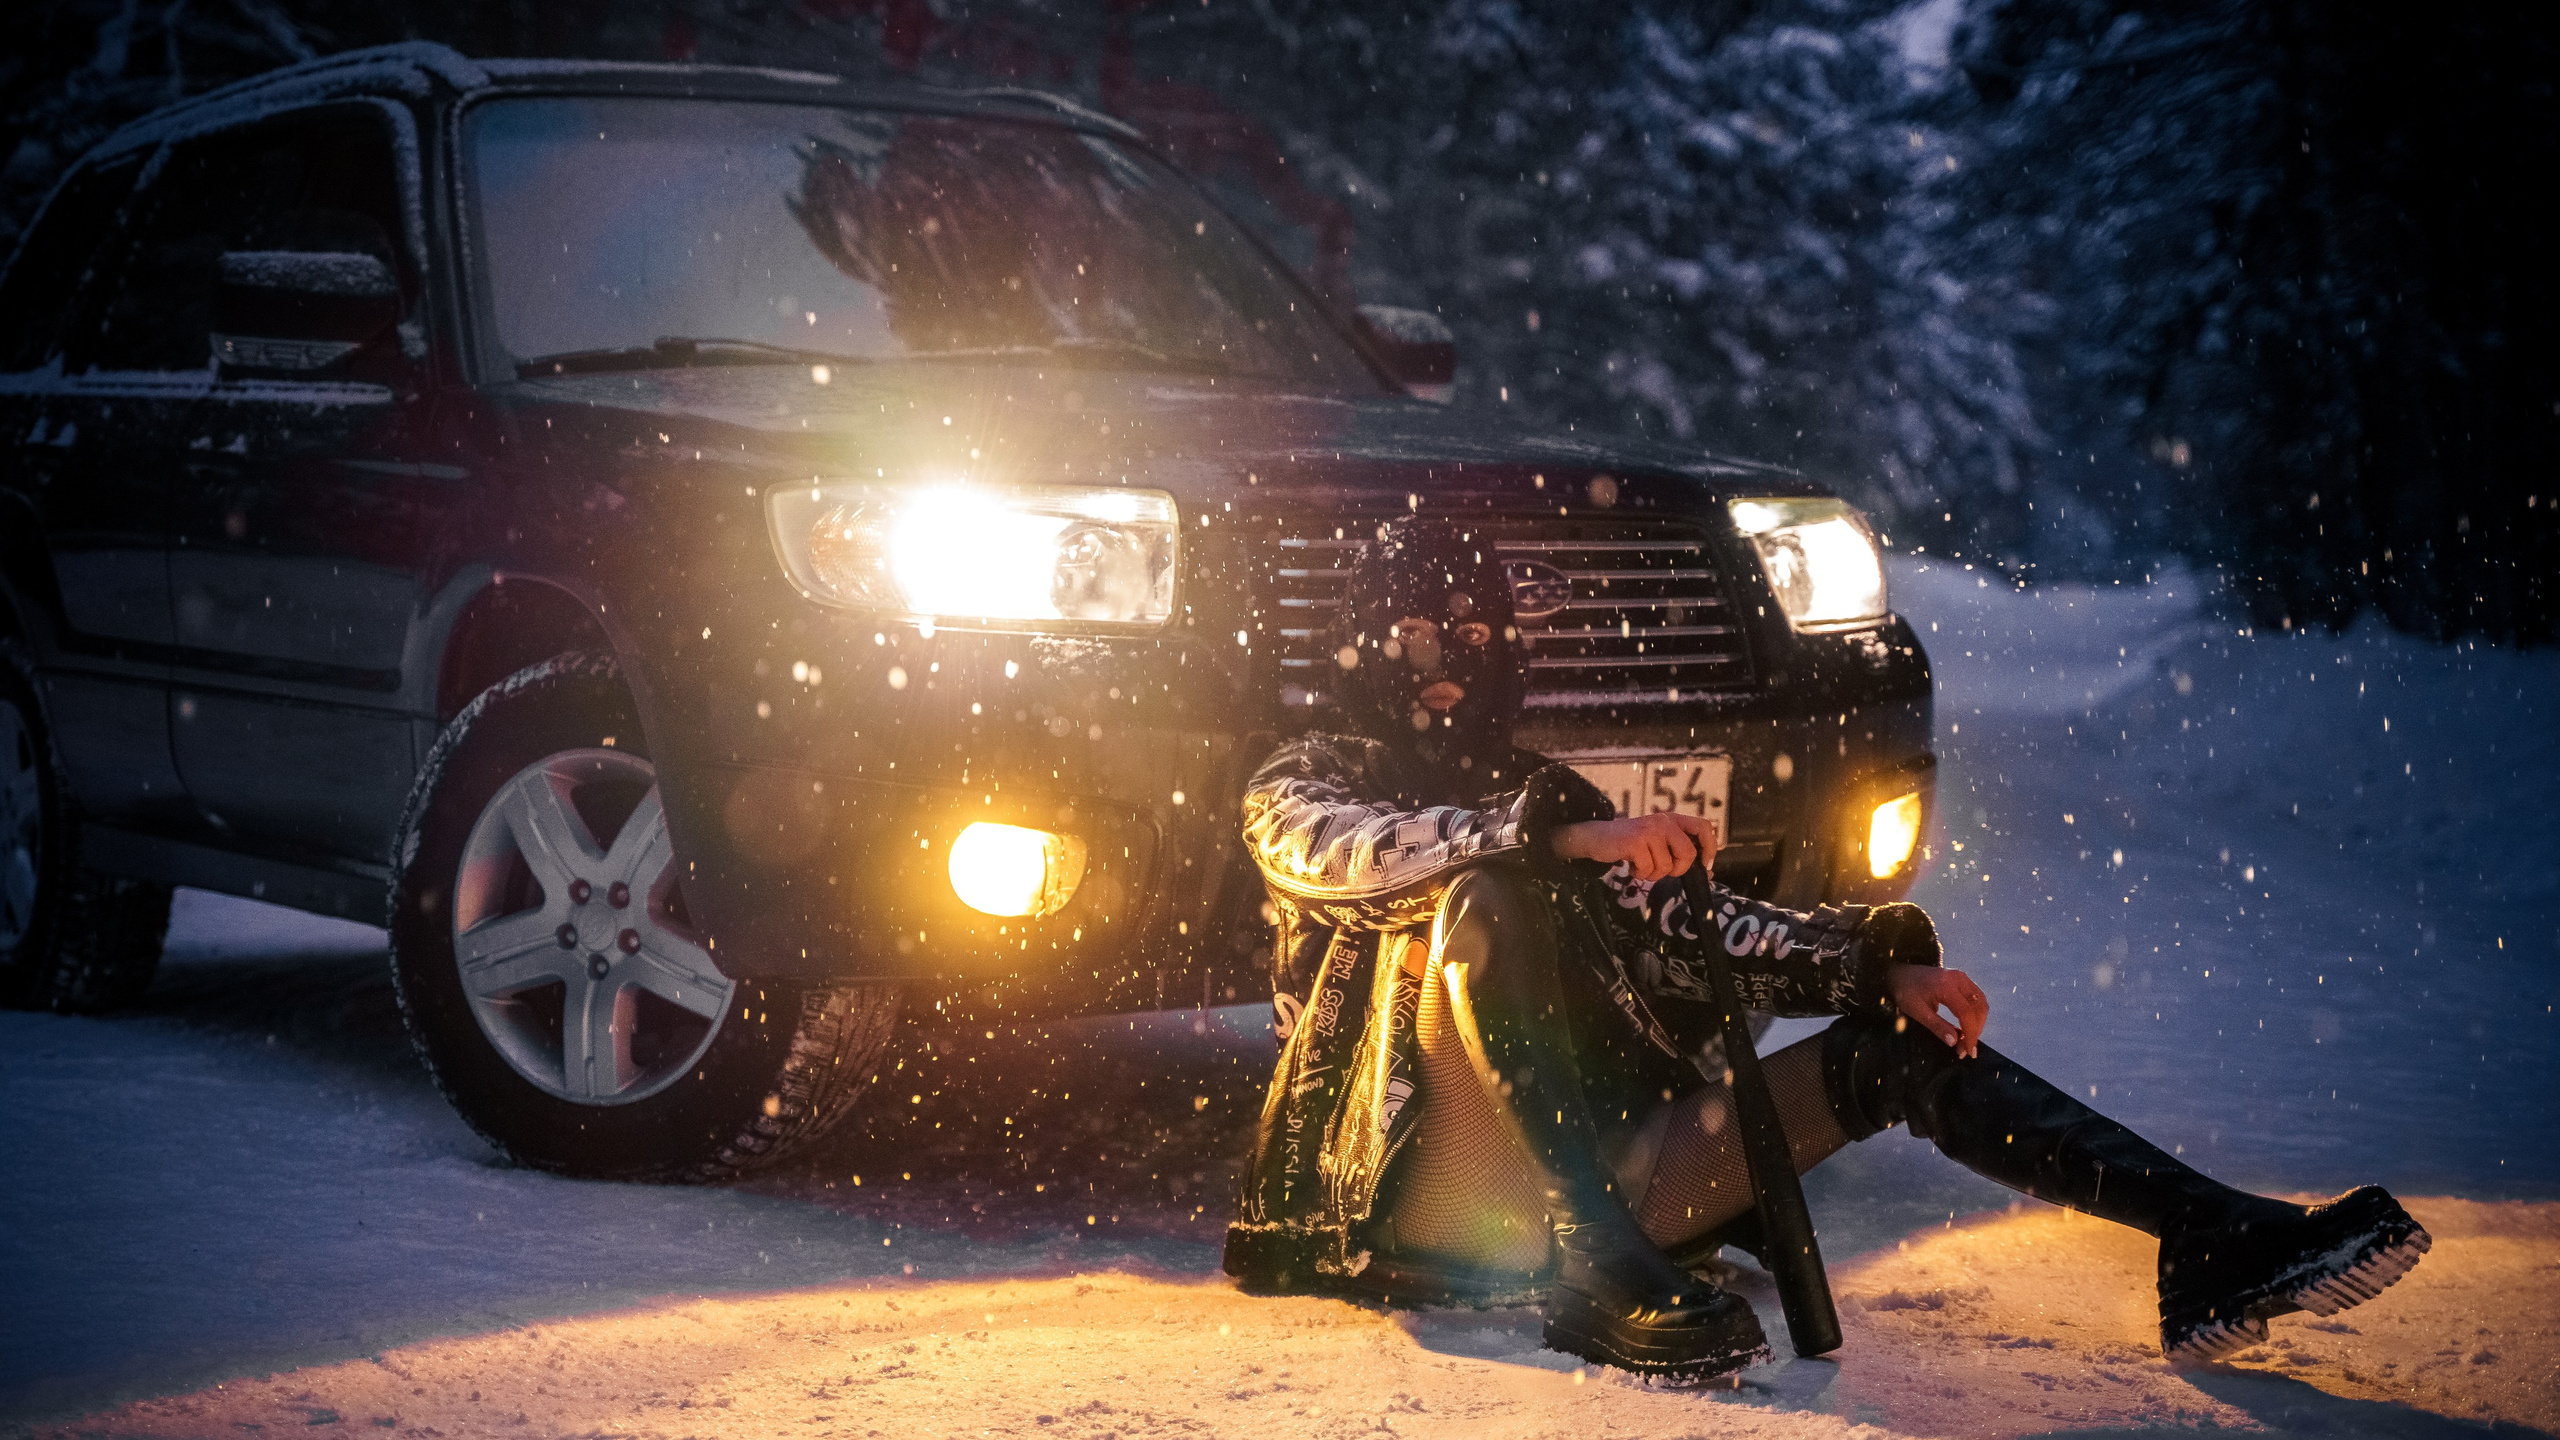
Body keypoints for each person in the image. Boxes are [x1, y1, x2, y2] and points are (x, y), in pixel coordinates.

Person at [1221, 518, 2429, 1381]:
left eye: (1476, 630)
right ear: (1367, 643)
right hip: (1432, 1193)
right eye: (1421, 632)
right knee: (1488, 891)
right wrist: (1556, 836)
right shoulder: (1306, 783)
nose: (1448, 663)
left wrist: (1870, 965)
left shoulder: (1547, 793)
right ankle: (1599, 1268)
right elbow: (1356, 854)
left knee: (1892, 1050)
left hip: (1623, 1180)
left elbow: (1702, 933)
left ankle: (2211, 1238)